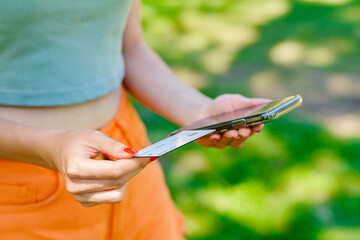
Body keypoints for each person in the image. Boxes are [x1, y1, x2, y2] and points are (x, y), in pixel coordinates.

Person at [0, 0, 268, 239]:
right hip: (18, 189)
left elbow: (129, 48)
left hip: (130, 161)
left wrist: (200, 113)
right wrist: (50, 149)